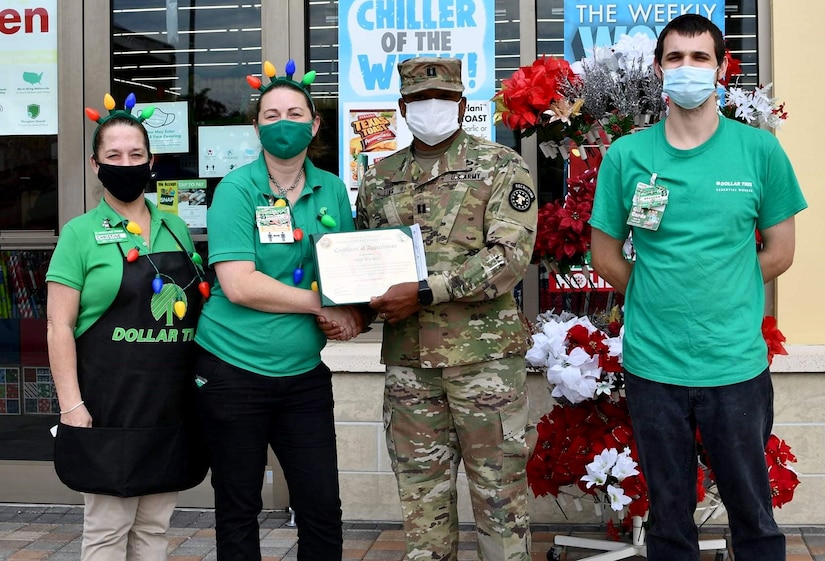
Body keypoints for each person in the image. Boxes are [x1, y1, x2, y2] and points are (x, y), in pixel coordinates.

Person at [589, 14, 807, 561]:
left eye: (700, 57)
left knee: (754, 516)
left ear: (721, 69)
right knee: (667, 521)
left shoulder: (760, 153)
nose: (688, 68)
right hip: (653, 367)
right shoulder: (627, 156)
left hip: (734, 366)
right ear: (660, 69)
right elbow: (605, 255)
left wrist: (717, 280)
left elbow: (779, 252)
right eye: (676, 58)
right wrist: (665, 285)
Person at [356, 57, 538, 561]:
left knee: (500, 505)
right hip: (410, 368)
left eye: (440, 98)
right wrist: (350, 307)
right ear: (401, 107)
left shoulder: (501, 165)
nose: (428, 107)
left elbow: (509, 258)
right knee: (422, 510)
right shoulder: (378, 179)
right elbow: (368, 264)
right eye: (417, 100)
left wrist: (425, 290)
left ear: (461, 104)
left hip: (486, 367)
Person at [193, 60, 363, 561]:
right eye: (270, 115)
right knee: (239, 508)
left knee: (321, 509)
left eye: (294, 113)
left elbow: (347, 269)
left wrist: (356, 313)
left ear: (314, 124)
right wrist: (322, 305)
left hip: (304, 376)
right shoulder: (236, 190)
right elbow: (239, 284)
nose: (282, 122)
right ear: (256, 127)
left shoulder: (331, 188)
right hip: (231, 372)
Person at [46, 93, 208, 561]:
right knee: (107, 531)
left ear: (151, 161)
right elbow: (59, 325)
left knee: (154, 530)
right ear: (96, 166)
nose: (126, 163)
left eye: (136, 155)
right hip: (106, 409)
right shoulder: (79, 233)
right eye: (114, 156)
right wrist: (71, 406)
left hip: (167, 407)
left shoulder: (176, 228)